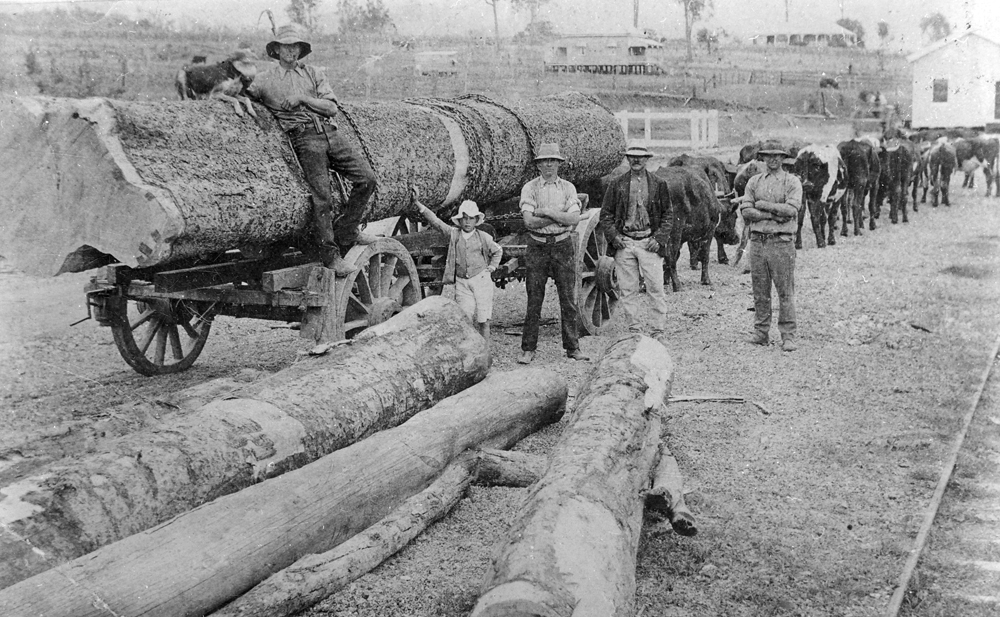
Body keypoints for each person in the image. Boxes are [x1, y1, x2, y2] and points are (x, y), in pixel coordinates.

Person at [246, 23, 377, 276]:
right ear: (277, 49)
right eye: (286, 46)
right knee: (322, 198)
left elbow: (331, 108)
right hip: (304, 139)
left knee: (367, 179)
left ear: (300, 49)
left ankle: (348, 229)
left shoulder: (313, 73)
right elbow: (244, 96)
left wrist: (303, 99)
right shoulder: (264, 80)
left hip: (329, 132)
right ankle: (331, 256)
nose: (290, 51)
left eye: (295, 46)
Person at [517, 143, 589, 364]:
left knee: (568, 298)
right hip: (537, 246)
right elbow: (529, 222)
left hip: (562, 245)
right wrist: (560, 215)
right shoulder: (529, 188)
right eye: (544, 161)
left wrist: (546, 211)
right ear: (538, 165)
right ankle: (528, 349)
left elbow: (574, 219)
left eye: (552, 161)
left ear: (559, 164)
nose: (548, 165)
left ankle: (573, 347)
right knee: (534, 299)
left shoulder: (568, 188)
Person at [410, 190, 502, 352]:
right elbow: (436, 222)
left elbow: (498, 251)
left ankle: (484, 351)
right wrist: (418, 204)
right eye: (464, 218)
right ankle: (468, 350)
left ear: (476, 220)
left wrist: (491, 268)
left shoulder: (483, 237)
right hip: (462, 282)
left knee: (483, 318)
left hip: (481, 280)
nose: (467, 222)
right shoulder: (454, 235)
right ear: (460, 220)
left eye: (471, 218)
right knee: (465, 317)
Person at [598, 142, 673, 335]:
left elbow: (668, 215)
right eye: (632, 157)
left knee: (655, 288)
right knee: (628, 290)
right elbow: (605, 214)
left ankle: (658, 330)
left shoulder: (659, 184)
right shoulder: (617, 184)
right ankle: (635, 330)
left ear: (647, 159)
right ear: (627, 159)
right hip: (626, 243)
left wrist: (659, 239)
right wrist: (614, 237)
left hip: (649, 243)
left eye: (640, 157)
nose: (636, 160)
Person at [738, 140, 804, 351]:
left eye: (777, 155)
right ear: (763, 157)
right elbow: (746, 210)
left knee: (785, 291)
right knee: (760, 290)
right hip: (758, 242)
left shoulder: (791, 181)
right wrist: (773, 214)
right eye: (768, 155)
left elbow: (791, 210)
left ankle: (788, 335)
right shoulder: (754, 182)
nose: (773, 159)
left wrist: (764, 206)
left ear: (783, 158)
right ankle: (761, 332)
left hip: (782, 243)